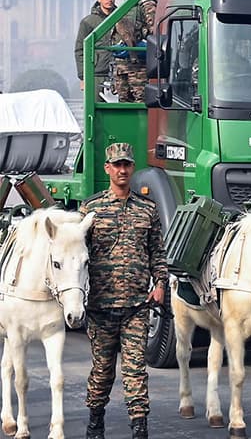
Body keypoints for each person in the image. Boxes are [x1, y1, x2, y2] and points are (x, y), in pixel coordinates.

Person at [80, 143, 166, 439]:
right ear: (107, 168)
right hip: (101, 307)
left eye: (127, 165)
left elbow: (157, 251)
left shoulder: (148, 209)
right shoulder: (90, 210)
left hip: (136, 307)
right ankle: (95, 424)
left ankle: (139, 429)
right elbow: (77, 255)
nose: (122, 170)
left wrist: (161, 283)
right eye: (116, 165)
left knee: (136, 372)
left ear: (132, 168)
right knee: (102, 371)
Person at [110, 0, 150, 102]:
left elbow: (155, 30)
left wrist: (140, 37)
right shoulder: (123, 7)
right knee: (123, 102)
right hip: (122, 66)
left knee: (141, 102)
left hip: (138, 67)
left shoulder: (145, 4)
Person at [75, 0, 116, 98]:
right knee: (95, 107)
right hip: (96, 73)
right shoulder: (88, 22)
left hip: (118, 72)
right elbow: (79, 50)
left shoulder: (121, 18)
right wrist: (83, 76)